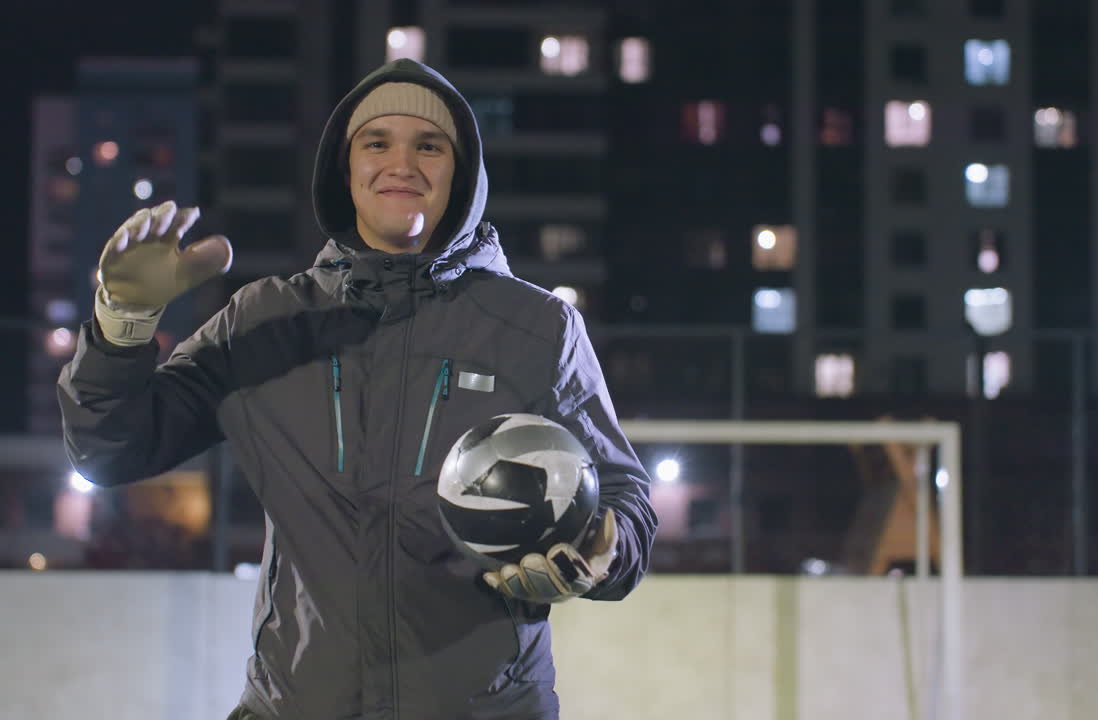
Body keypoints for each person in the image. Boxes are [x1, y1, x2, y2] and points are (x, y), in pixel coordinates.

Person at [58, 58, 658, 720]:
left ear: (462, 174)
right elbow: (110, 449)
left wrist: (598, 553)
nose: (401, 164)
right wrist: (122, 325)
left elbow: (624, 499)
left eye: (429, 146)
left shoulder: (537, 328)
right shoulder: (267, 320)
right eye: (376, 143)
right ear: (345, 171)